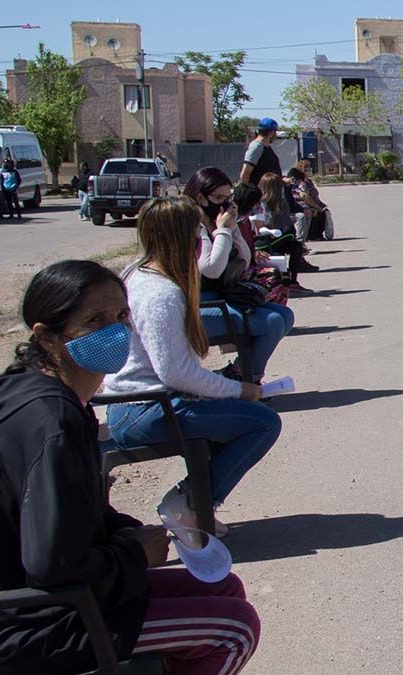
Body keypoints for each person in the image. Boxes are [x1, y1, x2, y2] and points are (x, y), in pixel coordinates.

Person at [0, 260, 260, 675]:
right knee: (233, 630)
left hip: (47, 599)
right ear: (47, 336)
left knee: (224, 586)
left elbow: (69, 513)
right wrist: (133, 554)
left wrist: (122, 530)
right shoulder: (52, 422)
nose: (115, 330)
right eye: (95, 320)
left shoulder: (38, 392)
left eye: (121, 316)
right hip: (29, 622)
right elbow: (52, 566)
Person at [103, 197, 282, 542]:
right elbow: (176, 373)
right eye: (198, 234)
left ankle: (195, 498)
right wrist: (240, 389)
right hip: (146, 409)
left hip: (140, 403)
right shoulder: (161, 294)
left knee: (232, 415)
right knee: (262, 421)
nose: (202, 241)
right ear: (183, 239)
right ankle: (189, 501)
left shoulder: (139, 274)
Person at [184, 168, 295, 383]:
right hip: (198, 305)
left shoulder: (216, 220)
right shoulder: (193, 225)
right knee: (271, 322)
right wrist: (223, 230)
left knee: (284, 315)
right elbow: (211, 269)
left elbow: (245, 259)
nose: (224, 203)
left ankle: (239, 374)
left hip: (222, 297)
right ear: (200, 197)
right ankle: (246, 379)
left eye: (228, 198)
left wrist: (233, 230)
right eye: (218, 198)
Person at [255, 172, 316, 294]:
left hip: (280, 237)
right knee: (282, 243)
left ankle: (292, 282)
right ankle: (283, 282)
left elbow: (286, 221)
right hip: (266, 239)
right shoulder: (261, 204)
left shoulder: (282, 203)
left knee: (296, 246)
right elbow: (259, 229)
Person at [240, 118, 282, 187]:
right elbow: (245, 174)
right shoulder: (256, 147)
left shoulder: (266, 147)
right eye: (275, 131)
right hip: (260, 194)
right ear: (271, 133)